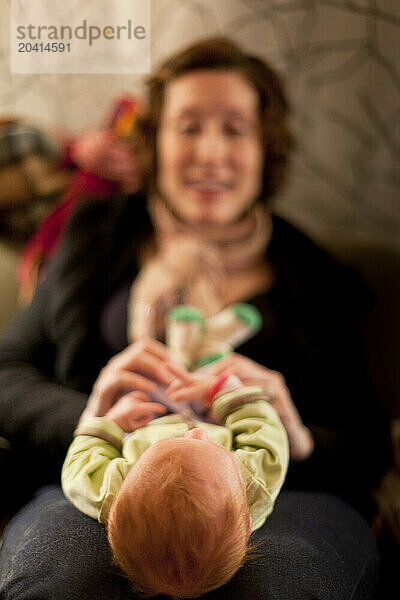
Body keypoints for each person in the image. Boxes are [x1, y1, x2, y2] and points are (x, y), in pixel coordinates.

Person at [0, 36, 392, 599]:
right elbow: (9, 371)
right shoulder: (96, 236)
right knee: (62, 579)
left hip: (285, 497)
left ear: (265, 150)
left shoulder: (319, 278)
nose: (210, 152)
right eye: (188, 127)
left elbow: (367, 442)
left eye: (235, 128)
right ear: (156, 144)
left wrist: (296, 439)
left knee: (273, 587)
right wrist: (94, 420)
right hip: (105, 478)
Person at [61, 368, 289, 598]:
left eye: (166, 445)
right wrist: (224, 391)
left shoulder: (119, 491)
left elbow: (80, 465)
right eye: (214, 449)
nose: (197, 433)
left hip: (145, 415)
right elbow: (265, 432)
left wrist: (113, 423)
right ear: (247, 523)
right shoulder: (254, 481)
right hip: (215, 411)